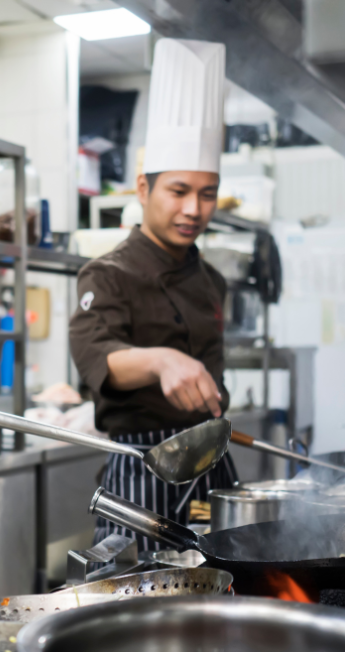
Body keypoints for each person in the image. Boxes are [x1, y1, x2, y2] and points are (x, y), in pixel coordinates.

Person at [70, 39, 237, 551]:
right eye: (179, 191)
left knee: (221, 600)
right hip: (142, 473)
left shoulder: (212, 279)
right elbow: (98, 357)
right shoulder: (109, 273)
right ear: (143, 189)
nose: (194, 209)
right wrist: (162, 361)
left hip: (211, 468)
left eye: (207, 194)